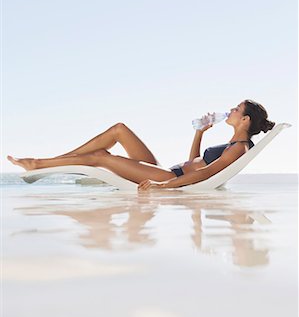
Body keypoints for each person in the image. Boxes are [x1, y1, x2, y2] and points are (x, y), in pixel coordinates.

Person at [7, 99, 275, 190]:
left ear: (245, 120)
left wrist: (163, 185)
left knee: (101, 157)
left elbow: (204, 175)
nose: (230, 110)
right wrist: (199, 133)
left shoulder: (240, 147)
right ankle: (46, 164)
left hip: (168, 177)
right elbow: (196, 163)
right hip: (169, 170)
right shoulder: (232, 143)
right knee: (119, 130)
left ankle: (39, 164)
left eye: (236, 109)